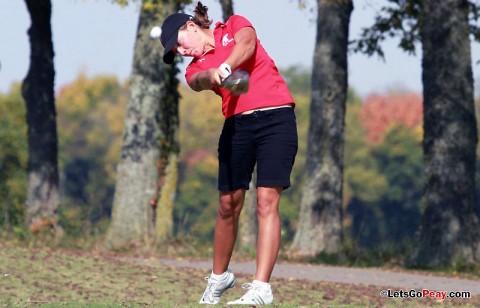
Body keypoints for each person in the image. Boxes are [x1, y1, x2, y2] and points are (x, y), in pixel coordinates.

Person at [155, 2, 297, 305]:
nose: (181, 52)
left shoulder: (233, 25)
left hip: (277, 120)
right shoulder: (194, 67)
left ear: (191, 26)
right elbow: (198, 81)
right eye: (175, 52)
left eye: (179, 44)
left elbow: (248, 43)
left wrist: (226, 67)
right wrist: (213, 75)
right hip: (238, 127)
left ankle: (261, 288)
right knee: (227, 205)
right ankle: (219, 279)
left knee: (266, 202)